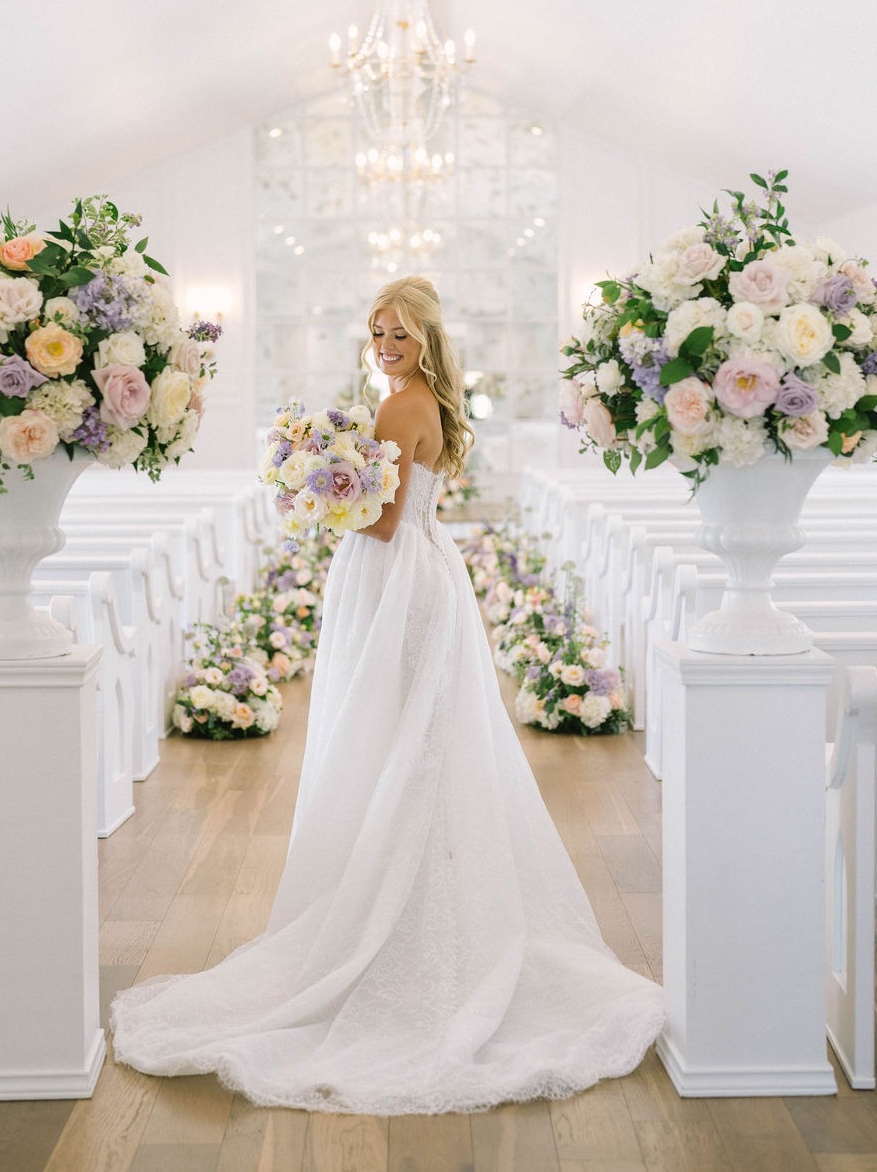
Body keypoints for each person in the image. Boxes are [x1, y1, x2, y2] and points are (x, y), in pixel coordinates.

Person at [110, 276, 664, 1114]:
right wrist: (325, 468)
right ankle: (413, 905)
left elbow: (376, 516)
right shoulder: (412, 401)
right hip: (409, 572)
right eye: (375, 332)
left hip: (397, 575)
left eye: (398, 334)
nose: (384, 345)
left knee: (400, 742)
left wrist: (311, 482)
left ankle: (405, 923)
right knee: (413, 742)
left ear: (426, 339)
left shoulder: (405, 407)